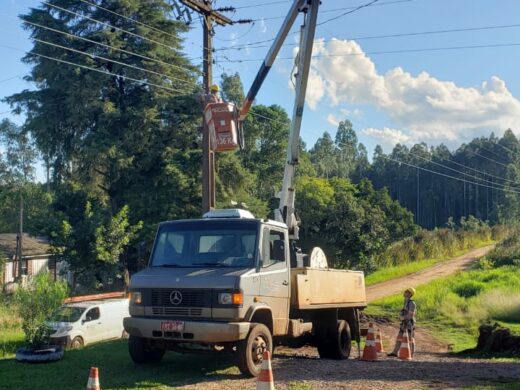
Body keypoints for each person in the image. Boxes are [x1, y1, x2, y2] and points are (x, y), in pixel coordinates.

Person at [387, 287, 416, 357]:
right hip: (404, 322)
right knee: (399, 337)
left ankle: (411, 354)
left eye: (406, 292)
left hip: (409, 323)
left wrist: (403, 318)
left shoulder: (412, 303)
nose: (404, 292)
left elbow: (411, 314)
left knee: (410, 338)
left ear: (409, 294)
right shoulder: (405, 301)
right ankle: (395, 352)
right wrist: (401, 316)